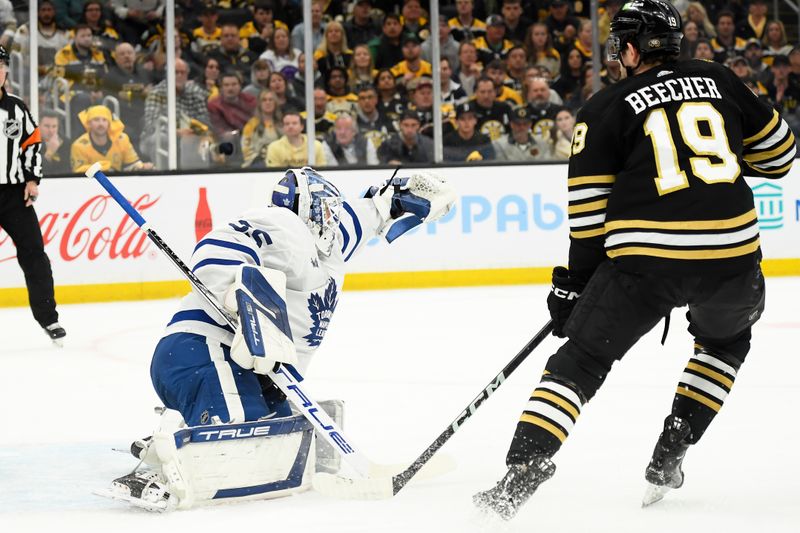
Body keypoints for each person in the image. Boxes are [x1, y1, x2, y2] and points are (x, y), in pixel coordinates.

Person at [473, 0, 796, 521]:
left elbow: (587, 218)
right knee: (725, 342)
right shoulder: (720, 78)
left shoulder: (604, 107)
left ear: (629, 47)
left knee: (578, 363)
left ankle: (521, 472)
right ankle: (677, 440)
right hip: (733, 260)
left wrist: (572, 288)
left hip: (645, 266)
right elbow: (781, 156)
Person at [103, 166, 455, 510]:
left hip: (253, 368)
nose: (333, 218)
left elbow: (359, 216)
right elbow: (217, 247)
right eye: (326, 209)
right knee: (245, 442)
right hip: (203, 352)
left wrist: (395, 200)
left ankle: (172, 436)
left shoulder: (327, 246)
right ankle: (160, 466)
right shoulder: (284, 225)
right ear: (309, 208)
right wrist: (234, 296)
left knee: (285, 443)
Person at [0, 46, 65, 344]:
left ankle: (48, 319)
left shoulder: (16, 107)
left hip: (15, 195)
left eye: (1, 66)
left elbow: (33, 143)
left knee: (35, 256)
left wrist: (32, 179)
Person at [70, 105, 154, 173]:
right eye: (96, 120)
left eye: (104, 120)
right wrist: (104, 167)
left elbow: (131, 164)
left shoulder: (122, 139)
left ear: (109, 123)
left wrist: (142, 167)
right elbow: (77, 172)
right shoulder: (79, 146)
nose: (101, 124)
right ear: (89, 123)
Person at [240, 89, 282, 168]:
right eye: (264, 100)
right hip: (257, 163)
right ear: (259, 104)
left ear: (275, 103)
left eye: (270, 100)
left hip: (279, 162)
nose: (267, 102)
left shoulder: (282, 124)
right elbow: (246, 147)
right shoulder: (251, 124)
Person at [40, 109, 71, 175]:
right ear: (39, 126)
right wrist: (49, 153)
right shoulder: (31, 143)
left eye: (54, 126)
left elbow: (67, 170)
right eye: (47, 126)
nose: (51, 130)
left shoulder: (66, 143)